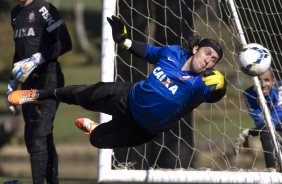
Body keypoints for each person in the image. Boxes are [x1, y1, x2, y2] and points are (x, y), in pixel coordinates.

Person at [7, 15, 226, 149]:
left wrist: (221, 88)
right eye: (207, 54)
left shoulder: (200, 86)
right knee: (78, 94)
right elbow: (149, 51)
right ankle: (36, 95)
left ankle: (93, 128)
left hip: (140, 129)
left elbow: (214, 95)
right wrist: (124, 40)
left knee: (97, 140)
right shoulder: (172, 53)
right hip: (126, 97)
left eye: (214, 60)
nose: (208, 61)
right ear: (196, 49)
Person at [6, 0, 72, 183]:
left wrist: (38, 59)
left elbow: (65, 42)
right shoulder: (15, 13)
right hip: (27, 84)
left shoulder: (44, 9)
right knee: (35, 135)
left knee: (39, 133)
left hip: (48, 79)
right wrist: (13, 81)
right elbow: (19, 52)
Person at [236, 69, 282, 170]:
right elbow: (260, 120)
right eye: (259, 80)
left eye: (267, 80)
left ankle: (250, 132)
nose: (263, 84)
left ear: (273, 81)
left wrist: (251, 131)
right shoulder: (249, 94)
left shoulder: (280, 88)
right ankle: (272, 170)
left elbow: (280, 114)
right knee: (265, 133)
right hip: (268, 128)